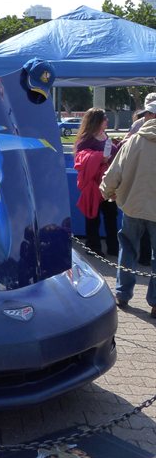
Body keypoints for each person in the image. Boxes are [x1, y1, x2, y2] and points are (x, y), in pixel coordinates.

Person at [100, 92, 156, 316]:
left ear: (149, 115)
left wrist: (107, 192)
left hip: (132, 205)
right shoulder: (133, 140)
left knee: (128, 249)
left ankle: (122, 294)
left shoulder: (133, 141)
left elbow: (114, 172)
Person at [73, 107, 120, 257]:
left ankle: (113, 247)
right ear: (96, 121)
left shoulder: (105, 136)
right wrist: (100, 158)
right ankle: (93, 247)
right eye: (104, 118)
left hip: (108, 183)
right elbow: (80, 160)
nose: (107, 120)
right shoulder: (85, 140)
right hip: (92, 185)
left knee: (111, 216)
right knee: (93, 217)